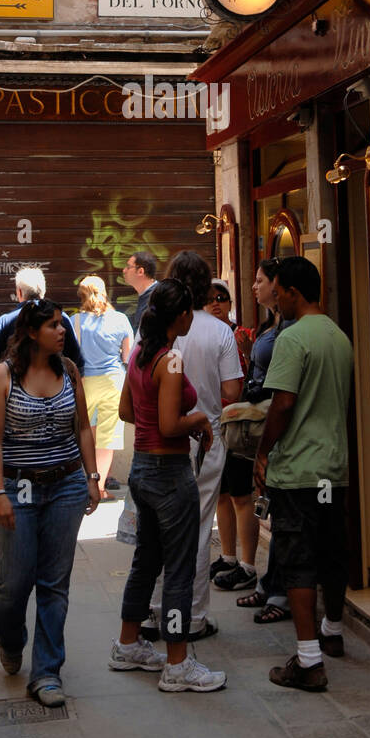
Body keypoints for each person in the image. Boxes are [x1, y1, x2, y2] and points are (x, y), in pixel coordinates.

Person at [0, 299, 101, 706]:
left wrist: (92, 477)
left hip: (65, 485)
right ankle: (10, 639)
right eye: (53, 325)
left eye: (62, 324)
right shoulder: (3, 376)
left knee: (54, 583)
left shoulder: (68, 371)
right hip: (18, 489)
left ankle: (47, 673)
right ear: (32, 333)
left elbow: (83, 427)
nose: (62, 331)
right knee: (14, 583)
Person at [110, 280, 226, 692]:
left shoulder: (142, 353)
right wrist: (196, 421)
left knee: (147, 559)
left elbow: (127, 410)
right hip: (169, 473)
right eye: (190, 312)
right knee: (178, 567)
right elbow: (169, 425)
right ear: (180, 317)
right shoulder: (170, 360)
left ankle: (128, 643)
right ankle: (177, 662)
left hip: (142, 469)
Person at [253, 256, 353, 692]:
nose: (275, 298)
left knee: (298, 560)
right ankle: (332, 631)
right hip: (334, 466)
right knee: (333, 551)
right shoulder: (338, 336)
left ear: (293, 292)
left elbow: (283, 403)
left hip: (298, 470)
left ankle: (308, 659)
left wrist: (263, 451)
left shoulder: (292, 340)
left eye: (277, 290)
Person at [141, 251, 242, 642]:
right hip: (205, 440)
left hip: (158, 440)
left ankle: (154, 612)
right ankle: (193, 617)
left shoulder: (152, 330)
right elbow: (232, 391)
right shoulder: (219, 331)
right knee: (198, 529)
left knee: (158, 529)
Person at [234, 259, 295, 622]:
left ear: (279, 285)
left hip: (276, 427)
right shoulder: (272, 323)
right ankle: (271, 584)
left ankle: (280, 592)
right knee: (268, 505)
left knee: (280, 511)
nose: (254, 287)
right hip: (261, 421)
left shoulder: (290, 327)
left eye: (260, 281)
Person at [203, 278, 259, 593]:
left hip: (239, 425)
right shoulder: (203, 335)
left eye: (222, 298)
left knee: (240, 495)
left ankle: (248, 565)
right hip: (215, 425)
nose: (216, 303)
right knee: (222, 495)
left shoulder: (242, 336)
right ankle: (228, 556)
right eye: (210, 299)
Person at [67, 277, 132, 498]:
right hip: (113, 382)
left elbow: (70, 357)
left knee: (87, 433)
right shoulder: (121, 320)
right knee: (107, 439)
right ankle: (100, 487)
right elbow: (127, 356)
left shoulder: (74, 321)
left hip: (84, 384)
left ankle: (88, 481)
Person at [0, 266, 85, 377]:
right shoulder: (62, 318)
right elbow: (76, 358)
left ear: (19, 292)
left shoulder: (4, 322)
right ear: (44, 291)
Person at [122, 251, 158, 332]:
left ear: (140, 271)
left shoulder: (156, 297)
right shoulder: (148, 295)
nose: (124, 270)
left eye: (128, 267)